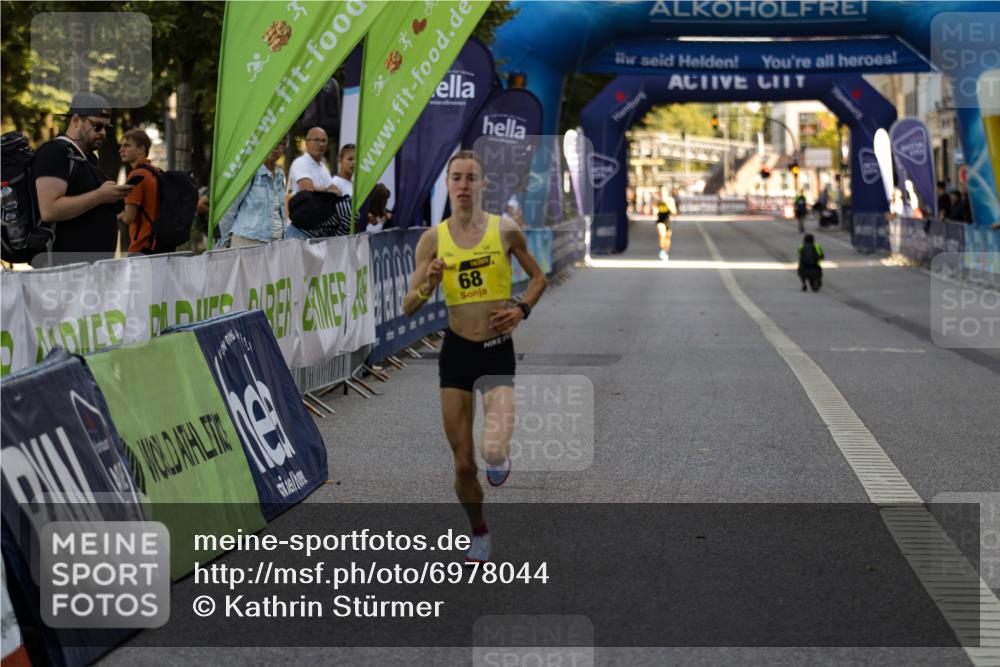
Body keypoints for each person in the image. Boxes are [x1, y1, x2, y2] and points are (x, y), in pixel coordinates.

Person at [402, 150, 547, 564]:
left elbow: (539, 278)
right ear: (447, 186)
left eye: (471, 178)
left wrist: (521, 309)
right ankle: (479, 531)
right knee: (464, 465)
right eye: (456, 178)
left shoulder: (505, 231)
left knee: (494, 449)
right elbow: (408, 305)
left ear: (484, 185)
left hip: (497, 351)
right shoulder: (433, 239)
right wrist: (429, 284)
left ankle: (500, 458)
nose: (463, 186)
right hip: (457, 353)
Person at [34, 92, 133, 258]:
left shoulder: (86, 158)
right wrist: (100, 196)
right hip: (65, 269)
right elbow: (49, 210)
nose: (103, 133)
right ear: (75, 120)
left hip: (91, 270)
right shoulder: (55, 151)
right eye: (97, 126)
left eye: (106, 127)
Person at [217, 141, 288, 247]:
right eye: (272, 141)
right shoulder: (249, 171)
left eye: (280, 144)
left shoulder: (280, 174)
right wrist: (226, 240)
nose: (275, 147)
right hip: (248, 241)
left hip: (277, 242)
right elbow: (229, 208)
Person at [117, 129, 168, 254]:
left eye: (127, 145)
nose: (121, 150)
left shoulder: (136, 176)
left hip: (141, 246)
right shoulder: (156, 172)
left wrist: (118, 213)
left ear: (141, 149)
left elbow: (129, 217)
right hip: (160, 243)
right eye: (121, 146)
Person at [287, 127, 340, 195]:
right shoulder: (300, 163)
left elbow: (337, 192)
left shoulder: (323, 167)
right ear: (307, 143)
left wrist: (319, 189)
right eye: (316, 140)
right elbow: (308, 190)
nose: (321, 144)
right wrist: (327, 191)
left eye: (323, 141)